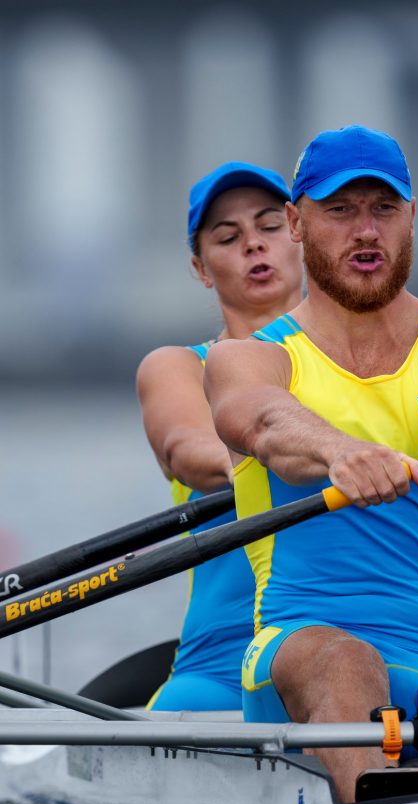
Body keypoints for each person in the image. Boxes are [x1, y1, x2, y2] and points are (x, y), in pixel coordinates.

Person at [204, 126, 418, 800]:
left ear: (412, 216)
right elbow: (263, 420)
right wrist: (338, 451)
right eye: (341, 210)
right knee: (350, 662)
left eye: (384, 209)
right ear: (298, 224)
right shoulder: (250, 357)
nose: (366, 231)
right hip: (302, 650)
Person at [137, 161, 304, 711]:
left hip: (364, 643)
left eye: (270, 227)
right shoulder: (179, 367)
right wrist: (324, 457)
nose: (253, 246)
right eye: (229, 237)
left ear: (300, 234)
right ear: (201, 268)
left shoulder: (363, 366)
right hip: (219, 671)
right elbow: (190, 452)